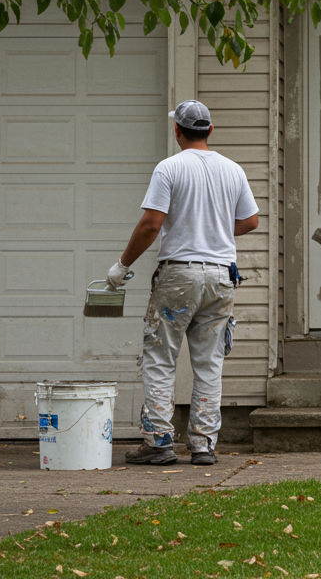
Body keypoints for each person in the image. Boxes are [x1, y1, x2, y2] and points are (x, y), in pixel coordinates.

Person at [106, 100, 259, 465]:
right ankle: (203, 444)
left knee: (160, 358)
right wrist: (217, 229)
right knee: (210, 362)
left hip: (180, 276)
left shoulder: (170, 168)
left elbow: (151, 224)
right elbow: (251, 221)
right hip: (222, 275)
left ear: (177, 131)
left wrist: (122, 265)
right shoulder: (232, 169)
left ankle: (159, 441)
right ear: (210, 130)